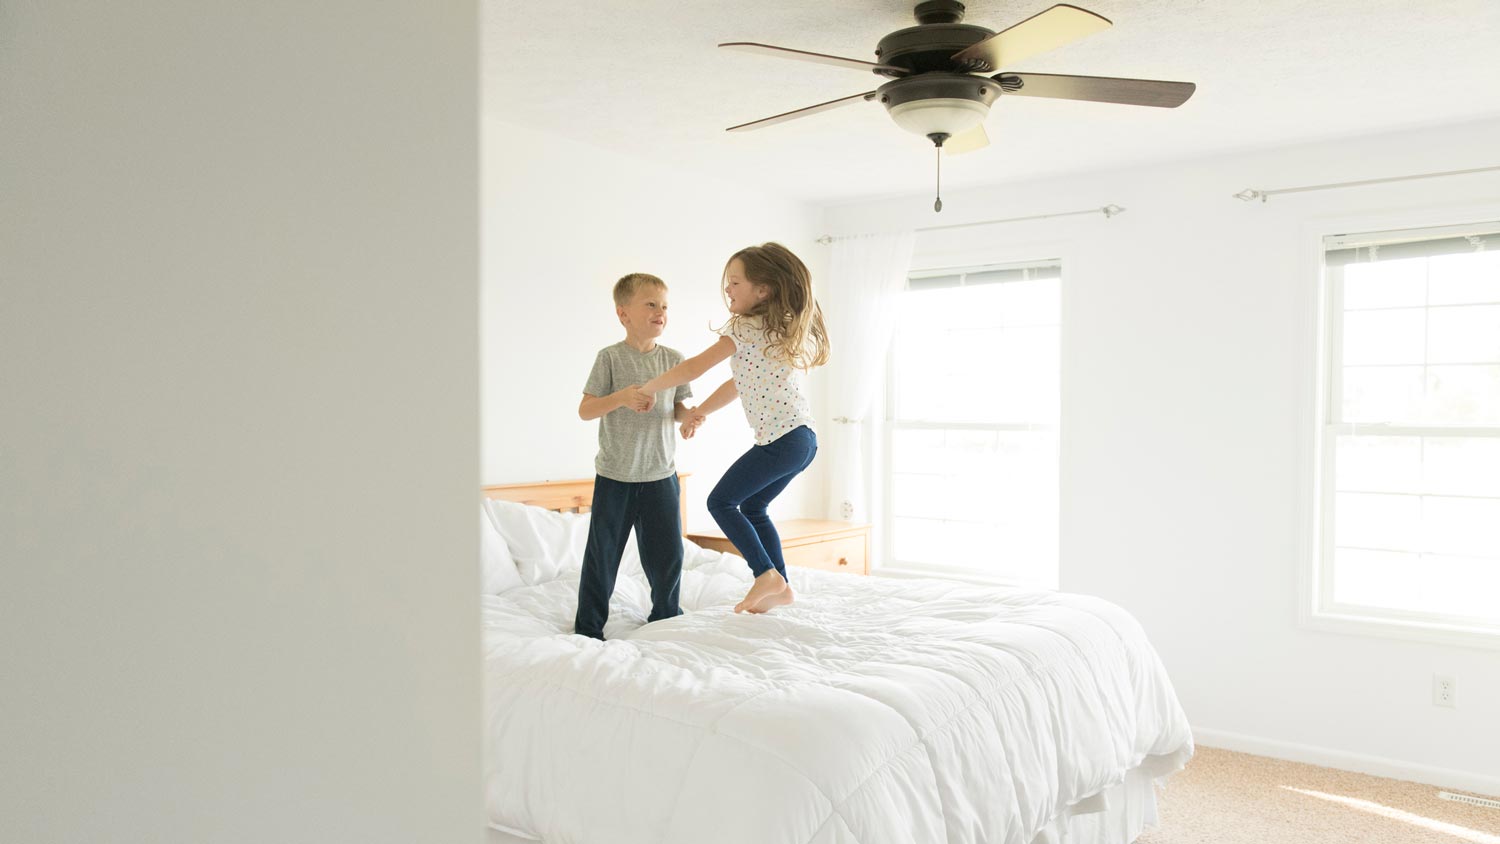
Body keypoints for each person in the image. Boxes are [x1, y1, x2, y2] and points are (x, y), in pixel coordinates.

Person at [639, 242, 830, 614]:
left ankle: (766, 575)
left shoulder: (743, 327)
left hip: (782, 439)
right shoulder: (776, 328)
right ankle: (779, 586)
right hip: (803, 439)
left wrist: (648, 388)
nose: (728, 289)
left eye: (735, 282)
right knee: (754, 507)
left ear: (763, 289)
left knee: (721, 502)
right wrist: (700, 412)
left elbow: (694, 367)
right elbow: (739, 383)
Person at [574, 273, 694, 640]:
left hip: (661, 475)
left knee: (668, 557)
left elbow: (678, 405)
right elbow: (586, 410)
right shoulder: (609, 358)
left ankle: (666, 618)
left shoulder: (674, 360)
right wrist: (622, 398)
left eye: (664, 306)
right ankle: (589, 628)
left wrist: (689, 417)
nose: (661, 312)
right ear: (623, 314)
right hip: (616, 477)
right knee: (602, 557)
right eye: (651, 304)